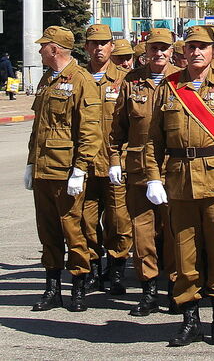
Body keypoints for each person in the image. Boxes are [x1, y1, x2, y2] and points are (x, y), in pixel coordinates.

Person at [145, 24, 214, 346]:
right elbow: (153, 141)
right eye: (191, 47)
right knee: (183, 256)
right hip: (179, 183)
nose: (196, 52)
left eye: (202, 47)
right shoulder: (168, 88)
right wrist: (153, 177)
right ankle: (189, 319)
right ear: (183, 51)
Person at [26, 26, 102, 312]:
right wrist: (30, 162)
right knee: (47, 232)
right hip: (43, 170)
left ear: (55, 49)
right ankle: (52, 289)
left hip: (65, 171)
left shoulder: (81, 80)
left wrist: (80, 169)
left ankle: (79, 287)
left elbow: (90, 130)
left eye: (44, 45)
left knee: (73, 230)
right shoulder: (47, 79)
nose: (39, 50)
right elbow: (39, 127)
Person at [109, 28, 179, 316]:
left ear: (172, 51)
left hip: (173, 169)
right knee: (142, 232)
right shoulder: (132, 81)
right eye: (153, 48)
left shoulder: (182, 80)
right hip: (138, 169)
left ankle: (175, 288)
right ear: (146, 51)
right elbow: (118, 127)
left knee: (175, 232)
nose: (158, 53)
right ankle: (148, 289)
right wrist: (114, 159)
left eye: (164, 48)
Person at [81, 23, 134, 295]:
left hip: (115, 163)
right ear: (86, 47)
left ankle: (116, 271)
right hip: (85, 164)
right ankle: (92, 269)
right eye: (94, 43)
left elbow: (133, 124)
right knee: (86, 221)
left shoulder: (126, 79)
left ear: (112, 47)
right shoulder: (78, 78)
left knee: (118, 221)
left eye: (104, 43)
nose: (99, 48)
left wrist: (123, 158)